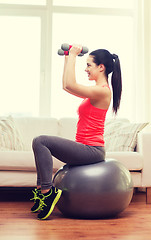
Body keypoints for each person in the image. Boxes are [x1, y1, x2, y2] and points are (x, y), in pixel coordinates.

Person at [30, 45, 122, 220]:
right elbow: (66, 86)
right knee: (39, 143)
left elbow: (71, 84)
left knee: (41, 141)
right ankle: (41, 193)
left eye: (88, 65)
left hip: (92, 150)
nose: (85, 69)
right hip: (83, 147)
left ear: (101, 67)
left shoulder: (102, 91)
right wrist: (67, 58)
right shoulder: (95, 91)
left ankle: (47, 193)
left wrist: (73, 54)